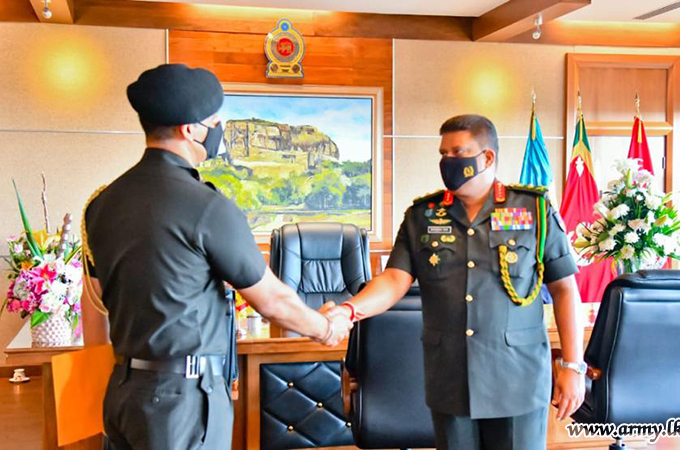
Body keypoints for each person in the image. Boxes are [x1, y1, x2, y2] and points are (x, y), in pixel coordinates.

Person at [80, 63, 353, 450]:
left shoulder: (102, 203)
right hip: (182, 401)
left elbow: (95, 303)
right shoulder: (205, 206)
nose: (218, 129)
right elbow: (272, 301)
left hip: (121, 392)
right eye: (213, 121)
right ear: (189, 129)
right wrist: (326, 328)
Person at [325, 115, 586, 449]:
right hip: (451, 379)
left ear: (487, 157)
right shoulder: (422, 216)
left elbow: (565, 289)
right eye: (443, 154)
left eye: (458, 152)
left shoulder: (534, 209)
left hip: (517, 379)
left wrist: (573, 366)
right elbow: (393, 279)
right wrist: (348, 311)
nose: (448, 161)